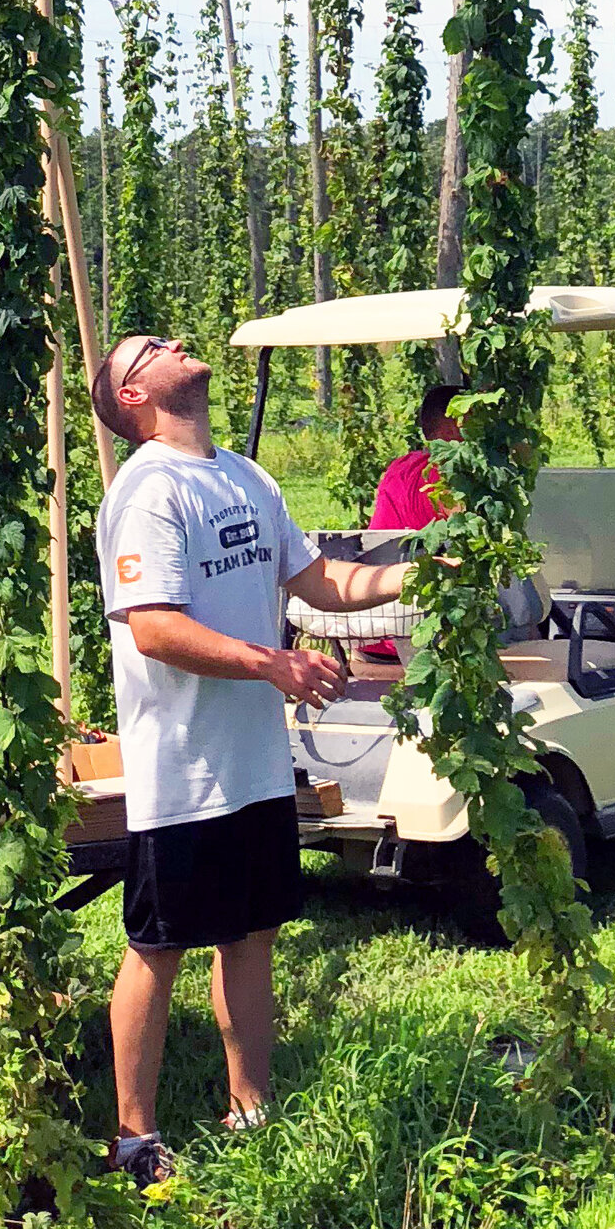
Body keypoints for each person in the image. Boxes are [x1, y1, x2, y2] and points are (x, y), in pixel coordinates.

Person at [91, 327, 410, 1183]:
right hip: (182, 768)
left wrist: (426, 568)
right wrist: (274, 662)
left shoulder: (244, 476)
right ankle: (135, 1139)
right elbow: (154, 626)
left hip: (255, 765)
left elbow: (324, 582)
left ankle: (250, 1109)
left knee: (252, 933)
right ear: (133, 395)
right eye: (153, 347)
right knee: (158, 943)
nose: (179, 343)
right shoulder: (146, 491)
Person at [368, 380, 463, 534]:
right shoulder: (450, 474)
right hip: (432, 558)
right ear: (453, 427)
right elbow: (468, 529)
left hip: (381, 555)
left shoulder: (400, 467)